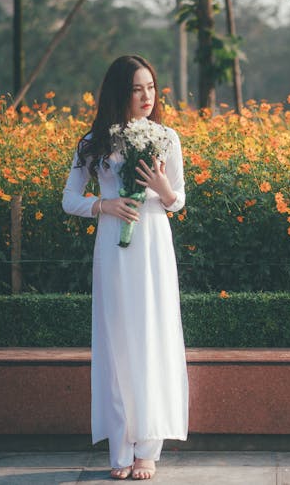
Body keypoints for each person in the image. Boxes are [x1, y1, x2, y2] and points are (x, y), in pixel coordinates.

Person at [62, 55, 188, 480]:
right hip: (115, 249)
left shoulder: (167, 137)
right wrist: (105, 204)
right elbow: (69, 199)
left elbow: (179, 200)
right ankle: (121, 445)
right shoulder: (93, 143)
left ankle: (148, 448)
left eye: (151, 87)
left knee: (152, 337)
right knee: (117, 342)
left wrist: (162, 188)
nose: (147, 96)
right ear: (119, 93)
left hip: (152, 243)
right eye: (137, 89)